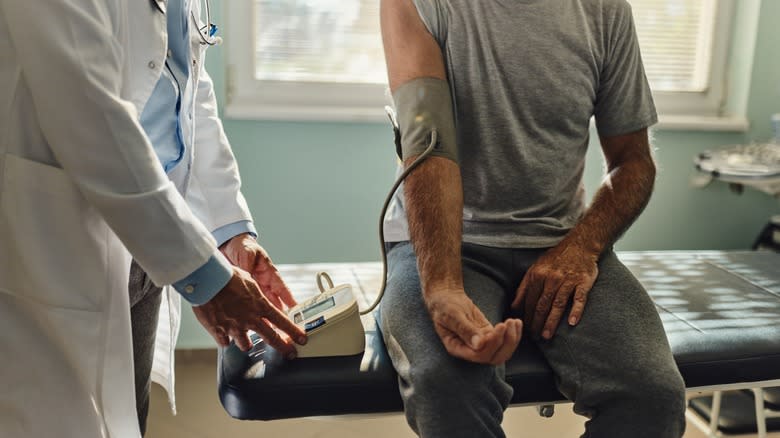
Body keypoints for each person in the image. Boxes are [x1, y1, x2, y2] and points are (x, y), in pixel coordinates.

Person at [379, 0, 686, 437]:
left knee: (652, 396)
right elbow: (429, 143)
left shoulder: (604, 10)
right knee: (447, 386)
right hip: (445, 243)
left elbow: (633, 163)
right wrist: (442, 284)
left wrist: (581, 248)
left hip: (560, 242)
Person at [0, 0, 306, 437]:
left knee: (127, 418)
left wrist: (228, 230)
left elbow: (187, 87)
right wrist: (201, 271)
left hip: (149, 250)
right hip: (54, 236)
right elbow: (90, 115)